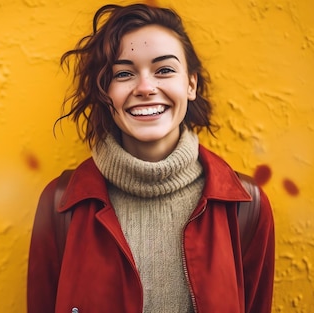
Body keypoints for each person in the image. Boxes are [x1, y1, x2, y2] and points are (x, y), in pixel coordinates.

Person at [27, 3, 275, 313]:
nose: (145, 87)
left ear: (191, 84)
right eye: (124, 73)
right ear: (106, 92)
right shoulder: (61, 205)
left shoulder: (245, 207)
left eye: (165, 70)